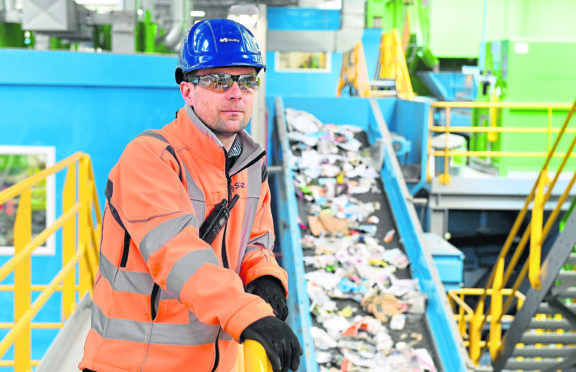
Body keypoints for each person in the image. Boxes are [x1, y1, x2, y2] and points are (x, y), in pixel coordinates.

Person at [79, 18, 302, 372]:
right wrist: (248, 314)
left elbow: (254, 242)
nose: (235, 93)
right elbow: (178, 255)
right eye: (218, 80)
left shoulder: (249, 164)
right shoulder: (150, 158)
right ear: (188, 91)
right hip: (134, 364)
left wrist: (266, 279)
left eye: (247, 81)